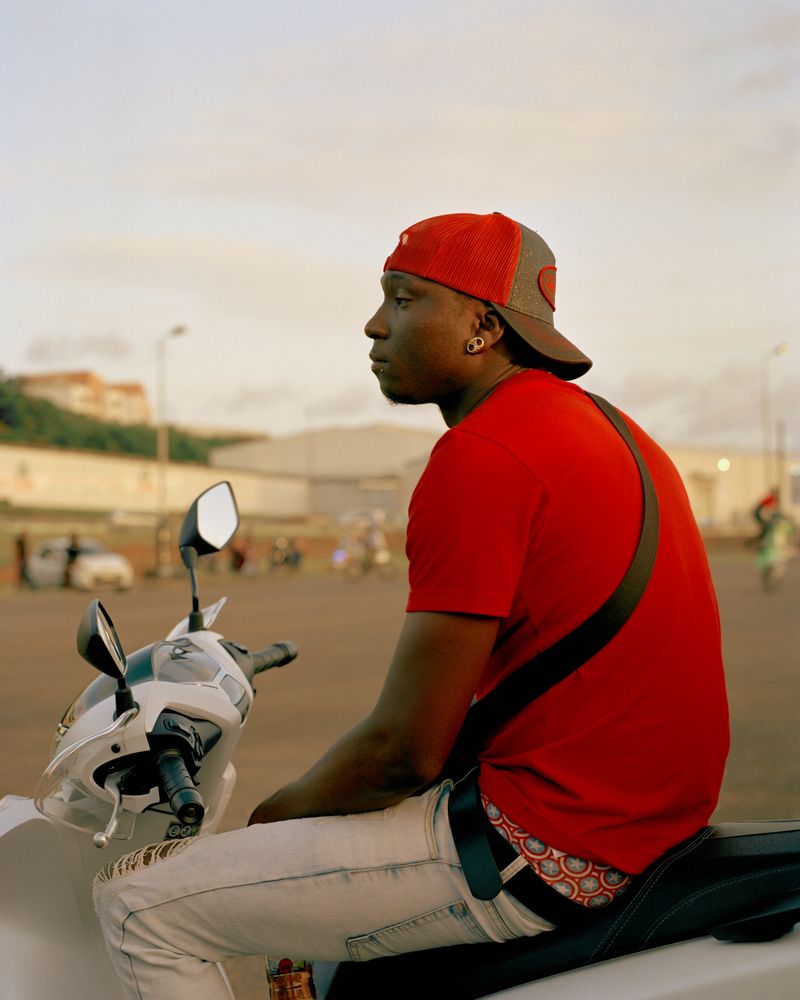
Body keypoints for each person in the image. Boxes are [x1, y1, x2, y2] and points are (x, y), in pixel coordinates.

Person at [94, 212, 729, 999]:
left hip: (552, 839)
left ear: (482, 327)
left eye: (402, 299)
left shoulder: (484, 454)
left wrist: (275, 816)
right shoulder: (614, 430)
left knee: (138, 906)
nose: (374, 324)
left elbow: (404, 751)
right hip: (644, 818)